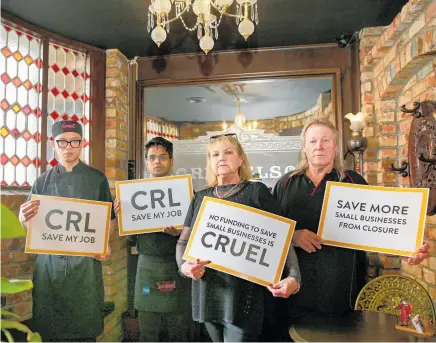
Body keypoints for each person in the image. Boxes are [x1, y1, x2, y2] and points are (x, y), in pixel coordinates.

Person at [273, 118, 430, 320]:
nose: (319, 146)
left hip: (342, 289)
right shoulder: (285, 184)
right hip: (294, 288)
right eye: (312, 141)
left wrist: (407, 248)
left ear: (335, 147)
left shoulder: (353, 181)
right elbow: (272, 232)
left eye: (325, 141)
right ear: (304, 147)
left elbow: (379, 226)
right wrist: (293, 235)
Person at [176, 133, 301, 342]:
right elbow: (183, 241)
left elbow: (283, 239)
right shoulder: (200, 196)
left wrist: (294, 277)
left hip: (244, 296)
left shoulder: (256, 191)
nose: (221, 158)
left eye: (228, 152)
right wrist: (184, 267)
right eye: (214, 154)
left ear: (241, 159)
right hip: (207, 291)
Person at [18, 120, 116, 342]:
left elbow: (108, 219)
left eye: (74, 141)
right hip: (49, 266)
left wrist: (105, 245)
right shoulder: (42, 181)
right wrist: (23, 218)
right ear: (54, 144)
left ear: (82, 144)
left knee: (85, 329)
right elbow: (31, 226)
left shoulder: (97, 178)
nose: (68, 147)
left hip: (85, 267)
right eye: (62, 142)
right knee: (50, 329)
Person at [115, 137, 192, 342]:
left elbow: (197, 234)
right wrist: (122, 216)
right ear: (146, 163)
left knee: (178, 332)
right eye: (152, 158)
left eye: (162, 157)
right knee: (147, 332)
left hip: (177, 265)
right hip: (147, 264)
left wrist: (180, 233)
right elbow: (128, 235)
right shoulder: (133, 194)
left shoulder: (185, 193)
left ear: (171, 160)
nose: (157, 161)